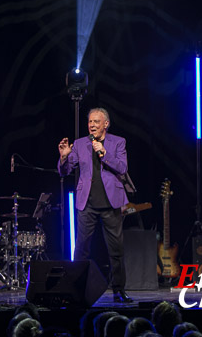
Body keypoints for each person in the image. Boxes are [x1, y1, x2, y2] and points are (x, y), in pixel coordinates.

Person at [58, 107, 132, 303]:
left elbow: (122, 168)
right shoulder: (81, 144)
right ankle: (77, 289)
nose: (92, 125)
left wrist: (104, 152)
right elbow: (65, 171)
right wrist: (64, 157)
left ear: (106, 124)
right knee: (81, 249)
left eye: (96, 122)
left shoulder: (118, 142)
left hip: (111, 203)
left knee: (116, 249)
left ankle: (118, 290)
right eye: (90, 122)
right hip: (87, 203)